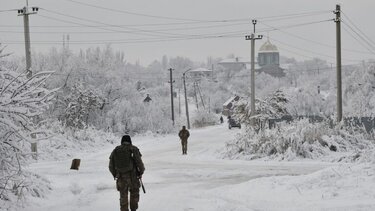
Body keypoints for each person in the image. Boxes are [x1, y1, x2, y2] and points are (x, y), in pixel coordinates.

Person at [109, 135, 145, 211]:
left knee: (123, 196)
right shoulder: (134, 149)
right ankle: (133, 209)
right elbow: (139, 163)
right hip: (133, 177)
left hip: (121, 177)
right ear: (130, 141)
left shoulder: (116, 150)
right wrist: (141, 172)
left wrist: (115, 175)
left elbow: (111, 166)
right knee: (134, 194)